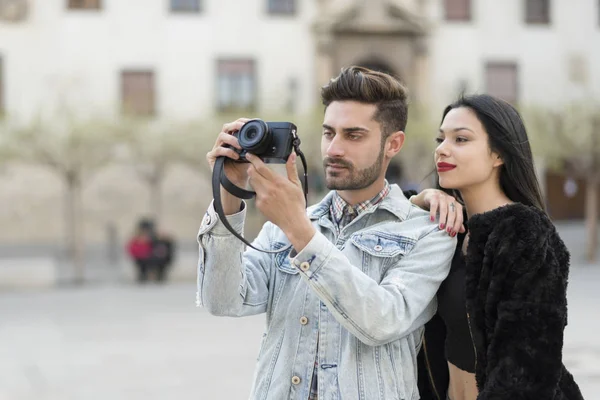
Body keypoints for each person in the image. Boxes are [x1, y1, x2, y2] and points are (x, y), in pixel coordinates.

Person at [196, 66, 456, 399]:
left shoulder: (428, 232)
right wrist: (229, 192)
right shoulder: (289, 222)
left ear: (393, 143)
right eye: (329, 132)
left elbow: (383, 320)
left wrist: (299, 231)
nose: (333, 149)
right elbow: (224, 300)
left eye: (354, 135)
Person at [408, 94, 583, 399]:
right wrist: (419, 199)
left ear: (498, 155)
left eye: (461, 139)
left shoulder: (523, 233)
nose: (442, 149)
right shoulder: (451, 228)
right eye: (441, 138)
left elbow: (527, 368)